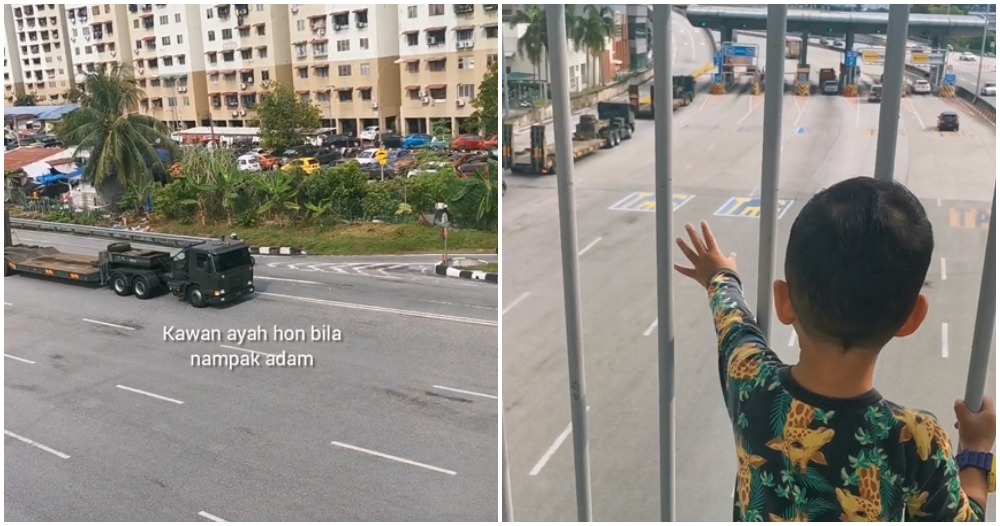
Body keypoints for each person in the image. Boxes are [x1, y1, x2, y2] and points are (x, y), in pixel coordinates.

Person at [673, 177, 994, 522]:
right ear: (912, 319)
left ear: (783, 301)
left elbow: (732, 321)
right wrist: (975, 453)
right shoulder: (914, 440)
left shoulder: (749, 377)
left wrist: (720, 276)